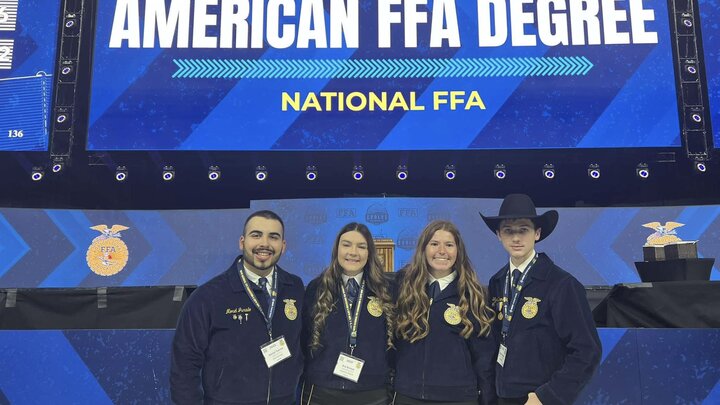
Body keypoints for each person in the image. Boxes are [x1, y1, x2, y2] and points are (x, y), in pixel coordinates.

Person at [170, 210, 304, 405]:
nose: (264, 243)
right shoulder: (208, 296)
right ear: (242, 242)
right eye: (256, 235)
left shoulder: (295, 288)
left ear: (283, 246)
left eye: (273, 237)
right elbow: (184, 363)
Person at [480, 194, 601, 405]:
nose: (516, 238)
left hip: (539, 398)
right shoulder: (497, 282)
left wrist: (549, 396)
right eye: (508, 231)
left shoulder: (562, 284)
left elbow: (587, 350)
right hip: (502, 397)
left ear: (537, 233)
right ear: (498, 235)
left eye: (523, 230)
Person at [393, 220, 497, 405]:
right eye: (434, 244)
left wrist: (488, 399)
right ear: (423, 249)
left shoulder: (474, 295)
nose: (442, 251)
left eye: (449, 245)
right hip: (408, 395)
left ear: (458, 251)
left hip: (457, 398)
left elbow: (484, 358)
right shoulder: (403, 287)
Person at [301, 222, 394, 405]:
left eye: (361, 246)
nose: (353, 252)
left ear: (370, 253)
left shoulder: (387, 289)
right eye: (346, 245)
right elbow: (304, 337)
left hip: (373, 392)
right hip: (322, 390)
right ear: (337, 249)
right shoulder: (317, 287)